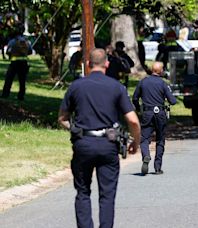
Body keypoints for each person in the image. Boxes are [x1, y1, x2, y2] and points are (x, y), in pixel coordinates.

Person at [58, 48, 141, 228]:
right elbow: (133, 121)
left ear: (87, 64)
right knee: (107, 194)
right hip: (108, 145)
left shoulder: (76, 86)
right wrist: (135, 141)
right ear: (107, 64)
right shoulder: (117, 87)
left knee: (82, 192)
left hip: (83, 145)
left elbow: (62, 118)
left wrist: (75, 130)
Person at [132, 61, 177, 175]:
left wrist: (138, 108)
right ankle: (157, 168)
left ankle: (146, 155)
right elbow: (173, 101)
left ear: (152, 70)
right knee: (160, 139)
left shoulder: (143, 82)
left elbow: (135, 98)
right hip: (160, 114)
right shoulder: (163, 84)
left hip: (147, 113)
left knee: (144, 138)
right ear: (161, 71)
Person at [1, 24, 32, 101]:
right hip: (24, 62)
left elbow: (8, 51)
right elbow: (30, 51)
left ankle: (5, 94)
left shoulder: (12, 41)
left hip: (14, 62)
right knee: (22, 81)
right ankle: (21, 96)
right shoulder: (26, 41)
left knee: (9, 79)